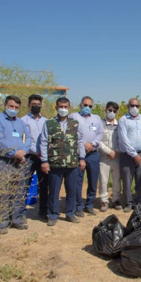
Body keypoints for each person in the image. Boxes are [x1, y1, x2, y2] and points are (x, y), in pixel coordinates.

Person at [40, 97, 86, 226]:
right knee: (54, 190)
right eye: (61, 107)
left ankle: (70, 213)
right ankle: (53, 214)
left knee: (72, 190)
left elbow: (80, 142)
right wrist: (44, 161)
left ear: (69, 108)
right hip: (55, 162)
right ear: (56, 108)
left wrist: (82, 158)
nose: (63, 109)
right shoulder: (49, 123)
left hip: (72, 163)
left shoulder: (75, 124)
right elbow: (44, 142)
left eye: (66, 107)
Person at [0, 95, 31, 233]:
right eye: (11, 106)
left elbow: (28, 138)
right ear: (5, 106)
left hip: (20, 161)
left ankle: (17, 219)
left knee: (19, 192)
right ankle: (2, 222)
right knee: (3, 192)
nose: (13, 109)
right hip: (3, 161)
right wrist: (14, 152)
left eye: (16, 107)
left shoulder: (21, 122)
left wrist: (23, 152)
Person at [69, 96, 104, 216]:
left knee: (93, 181)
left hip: (93, 153)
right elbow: (70, 133)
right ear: (80, 105)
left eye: (90, 106)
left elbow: (100, 134)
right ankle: (78, 206)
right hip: (79, 154)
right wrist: (83, 144)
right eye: (85, 105)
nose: (87, 108)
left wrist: (92, 144)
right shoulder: (73, 116)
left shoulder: (97, 118)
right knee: (78, 181)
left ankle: (89, 205)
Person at [21, 94, 49, 220]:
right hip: (29, 157)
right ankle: (20, 213)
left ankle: (43, 211)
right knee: (24, 185)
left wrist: (43, 154)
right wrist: (33, 151)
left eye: (38, 104)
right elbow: (22, 140)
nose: (36, 107)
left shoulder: (47, 121)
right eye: (33, 104)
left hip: (43, 158)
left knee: (44, 185)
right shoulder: (22, 121)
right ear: (28, 105)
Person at [118, 98, 141, 213]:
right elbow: (124, 139)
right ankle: (128, 203)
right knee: (127, 180)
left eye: (137, 106)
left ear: (140, 107)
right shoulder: (123, 120)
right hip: (127, 155)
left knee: (140, 180)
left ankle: (139, 203)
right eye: (132, 105)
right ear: (128, 106)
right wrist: (134, 154)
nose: (134, 108)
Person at [98, 101, 122, 212]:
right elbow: (97, 140)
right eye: (110, 110)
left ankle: (116, 199)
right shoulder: (100, 124)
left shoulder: (120, 125)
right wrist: (108, 151)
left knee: (117, 180)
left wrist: (115, 152)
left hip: (116, 157)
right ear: (105, 110)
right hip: (104, 157)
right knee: (103, 180)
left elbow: (122, 140)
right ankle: (104, 200)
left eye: (114, 111)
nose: (111, 112)